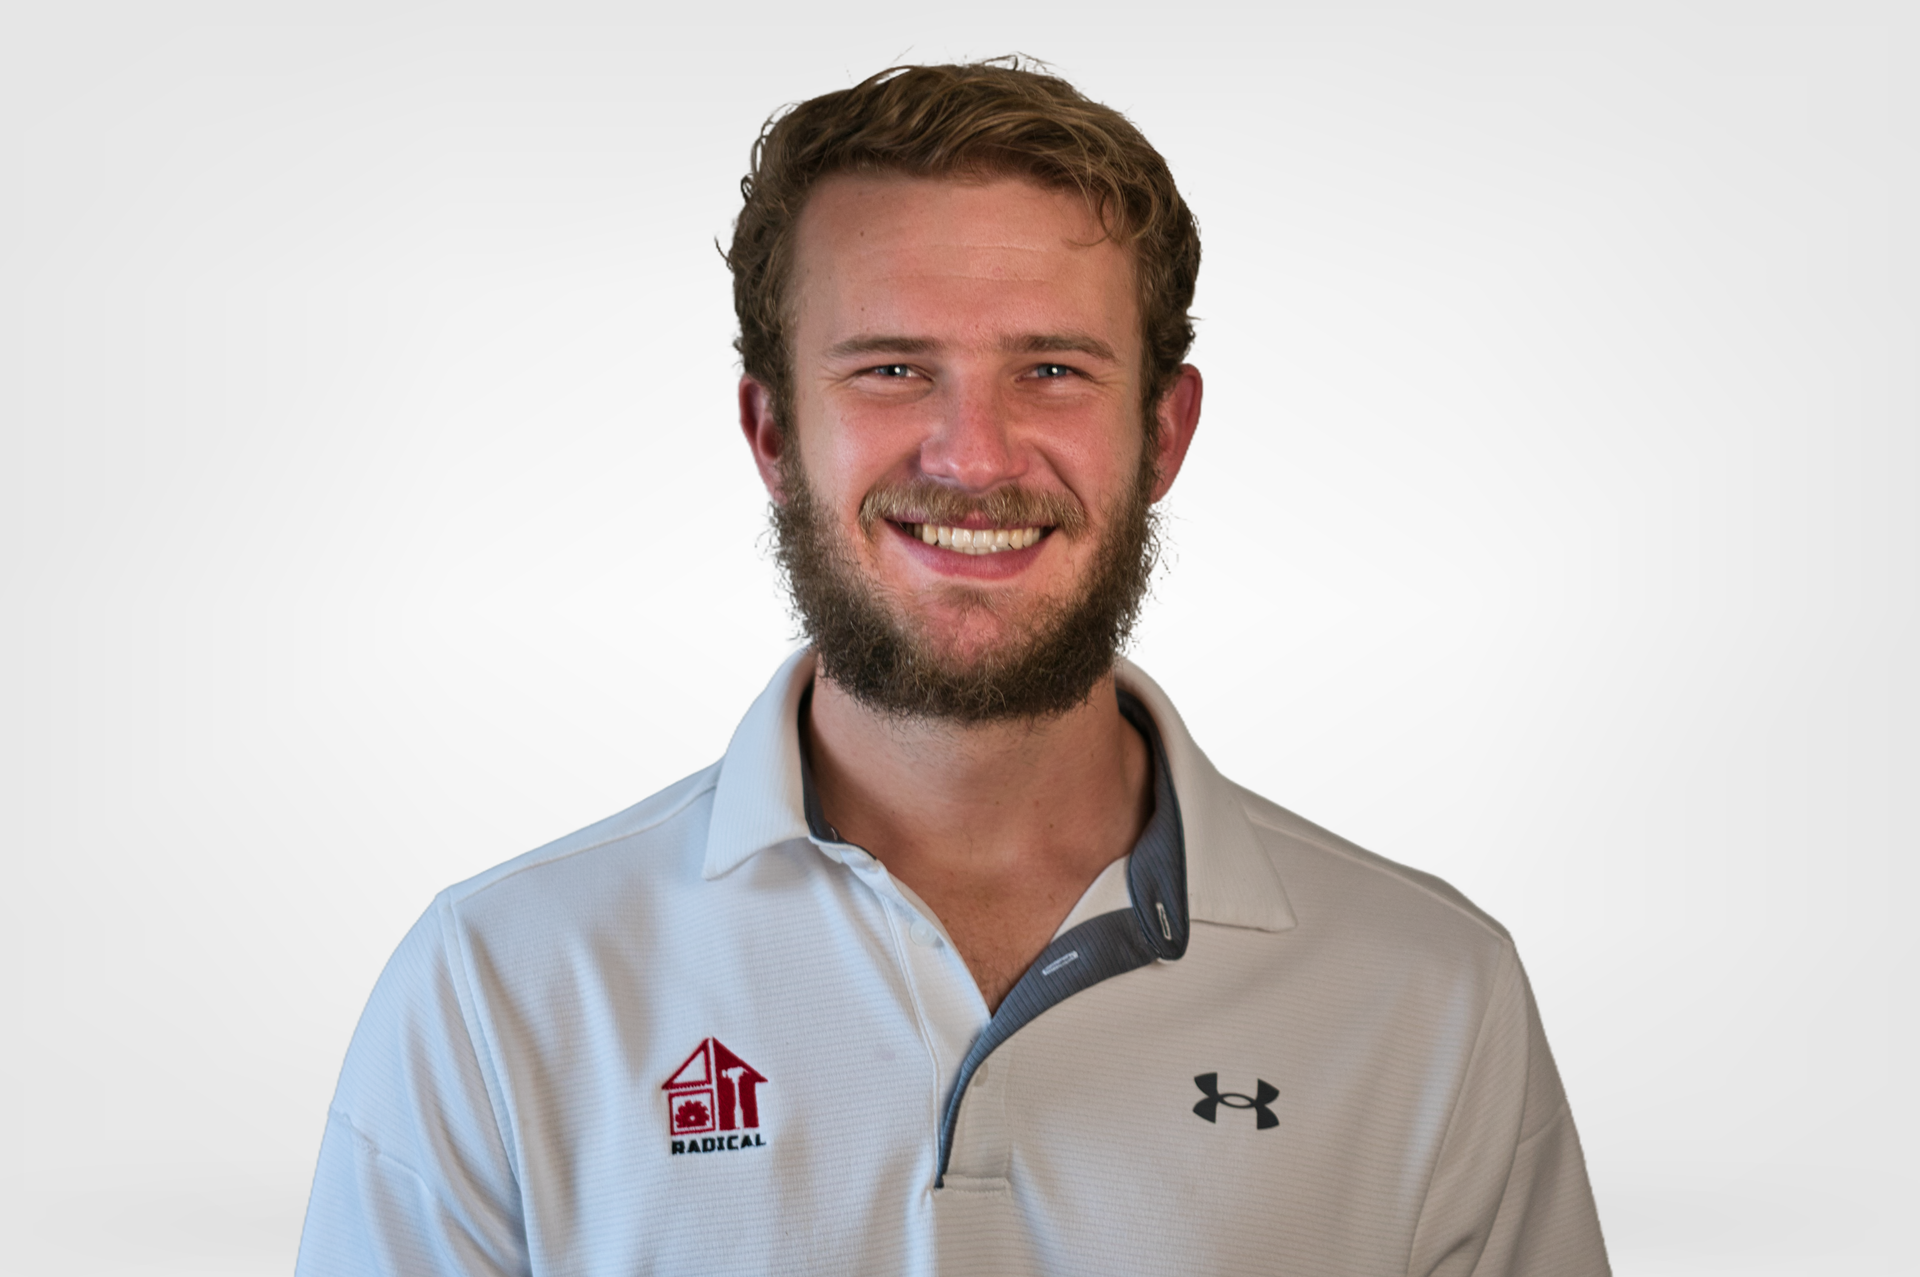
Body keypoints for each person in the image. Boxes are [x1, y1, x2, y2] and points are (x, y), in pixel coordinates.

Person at [296, 59, 1609, 1276]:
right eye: (891, 368)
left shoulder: (1429, 997)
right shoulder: (501, 985)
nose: (972, 457)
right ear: (772, 431)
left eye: (1051, 368)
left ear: (1163, 432)